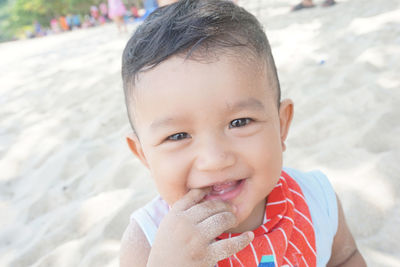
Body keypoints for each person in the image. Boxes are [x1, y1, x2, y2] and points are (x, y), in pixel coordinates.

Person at [119, 1, 366, 266]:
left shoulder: (316, 199)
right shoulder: (147, 242)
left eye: (239, 122)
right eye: (178, 136)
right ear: (143, 155)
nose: (214, 159)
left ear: (282, 124)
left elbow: (345, 258)